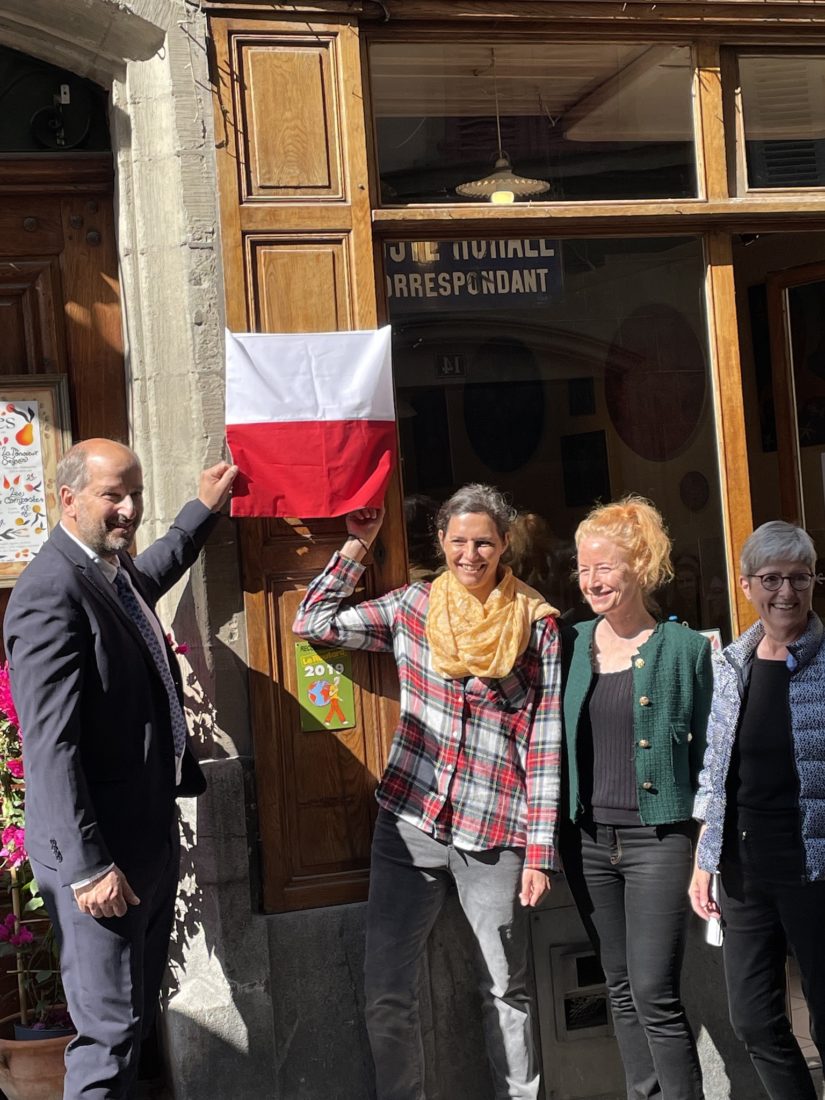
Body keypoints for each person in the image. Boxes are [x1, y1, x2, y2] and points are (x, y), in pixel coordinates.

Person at [293, 483, 562, 1100]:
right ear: (440, 542)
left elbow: (544, 741)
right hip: (409, 824)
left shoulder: (533, 623)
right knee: (387, 987)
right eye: (459, 541)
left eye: (484, 543)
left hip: (495, 832)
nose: (471, 554)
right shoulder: (413, 607)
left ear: (503, 546)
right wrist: (358, 544)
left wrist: (540, 851)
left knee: (506, 989)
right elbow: (313, 623)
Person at [3, 438, 236, 1099]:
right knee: (107, 1038)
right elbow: (51, 745)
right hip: (98, 861)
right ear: (68, 499)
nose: (129, 509)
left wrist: (200, 510)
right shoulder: (50, 591)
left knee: (130, 1025)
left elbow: (153, 571)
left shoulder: (108, 571)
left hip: (143, 844)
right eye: (113, 495)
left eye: (134, 493)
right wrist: (86, 866)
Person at [561, 497, 711, 1100]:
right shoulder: (567, 645)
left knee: (654, 991)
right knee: (619, 988)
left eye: (605, 567)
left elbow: (709, 761)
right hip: (587, 842)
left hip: (660, 840)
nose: (592, 580)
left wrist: (708, 848)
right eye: (583, 568)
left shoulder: (686, 650)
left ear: (640, 566)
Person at [689, 521, 825, 1099]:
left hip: (814, 867)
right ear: (746, 586)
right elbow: (718, 771)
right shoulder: (732, 666)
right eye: (771, 579)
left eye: (799, 578)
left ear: (815, 582)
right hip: (744, 870)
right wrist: (705, 857)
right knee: (751, 1018)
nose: (786, 592)